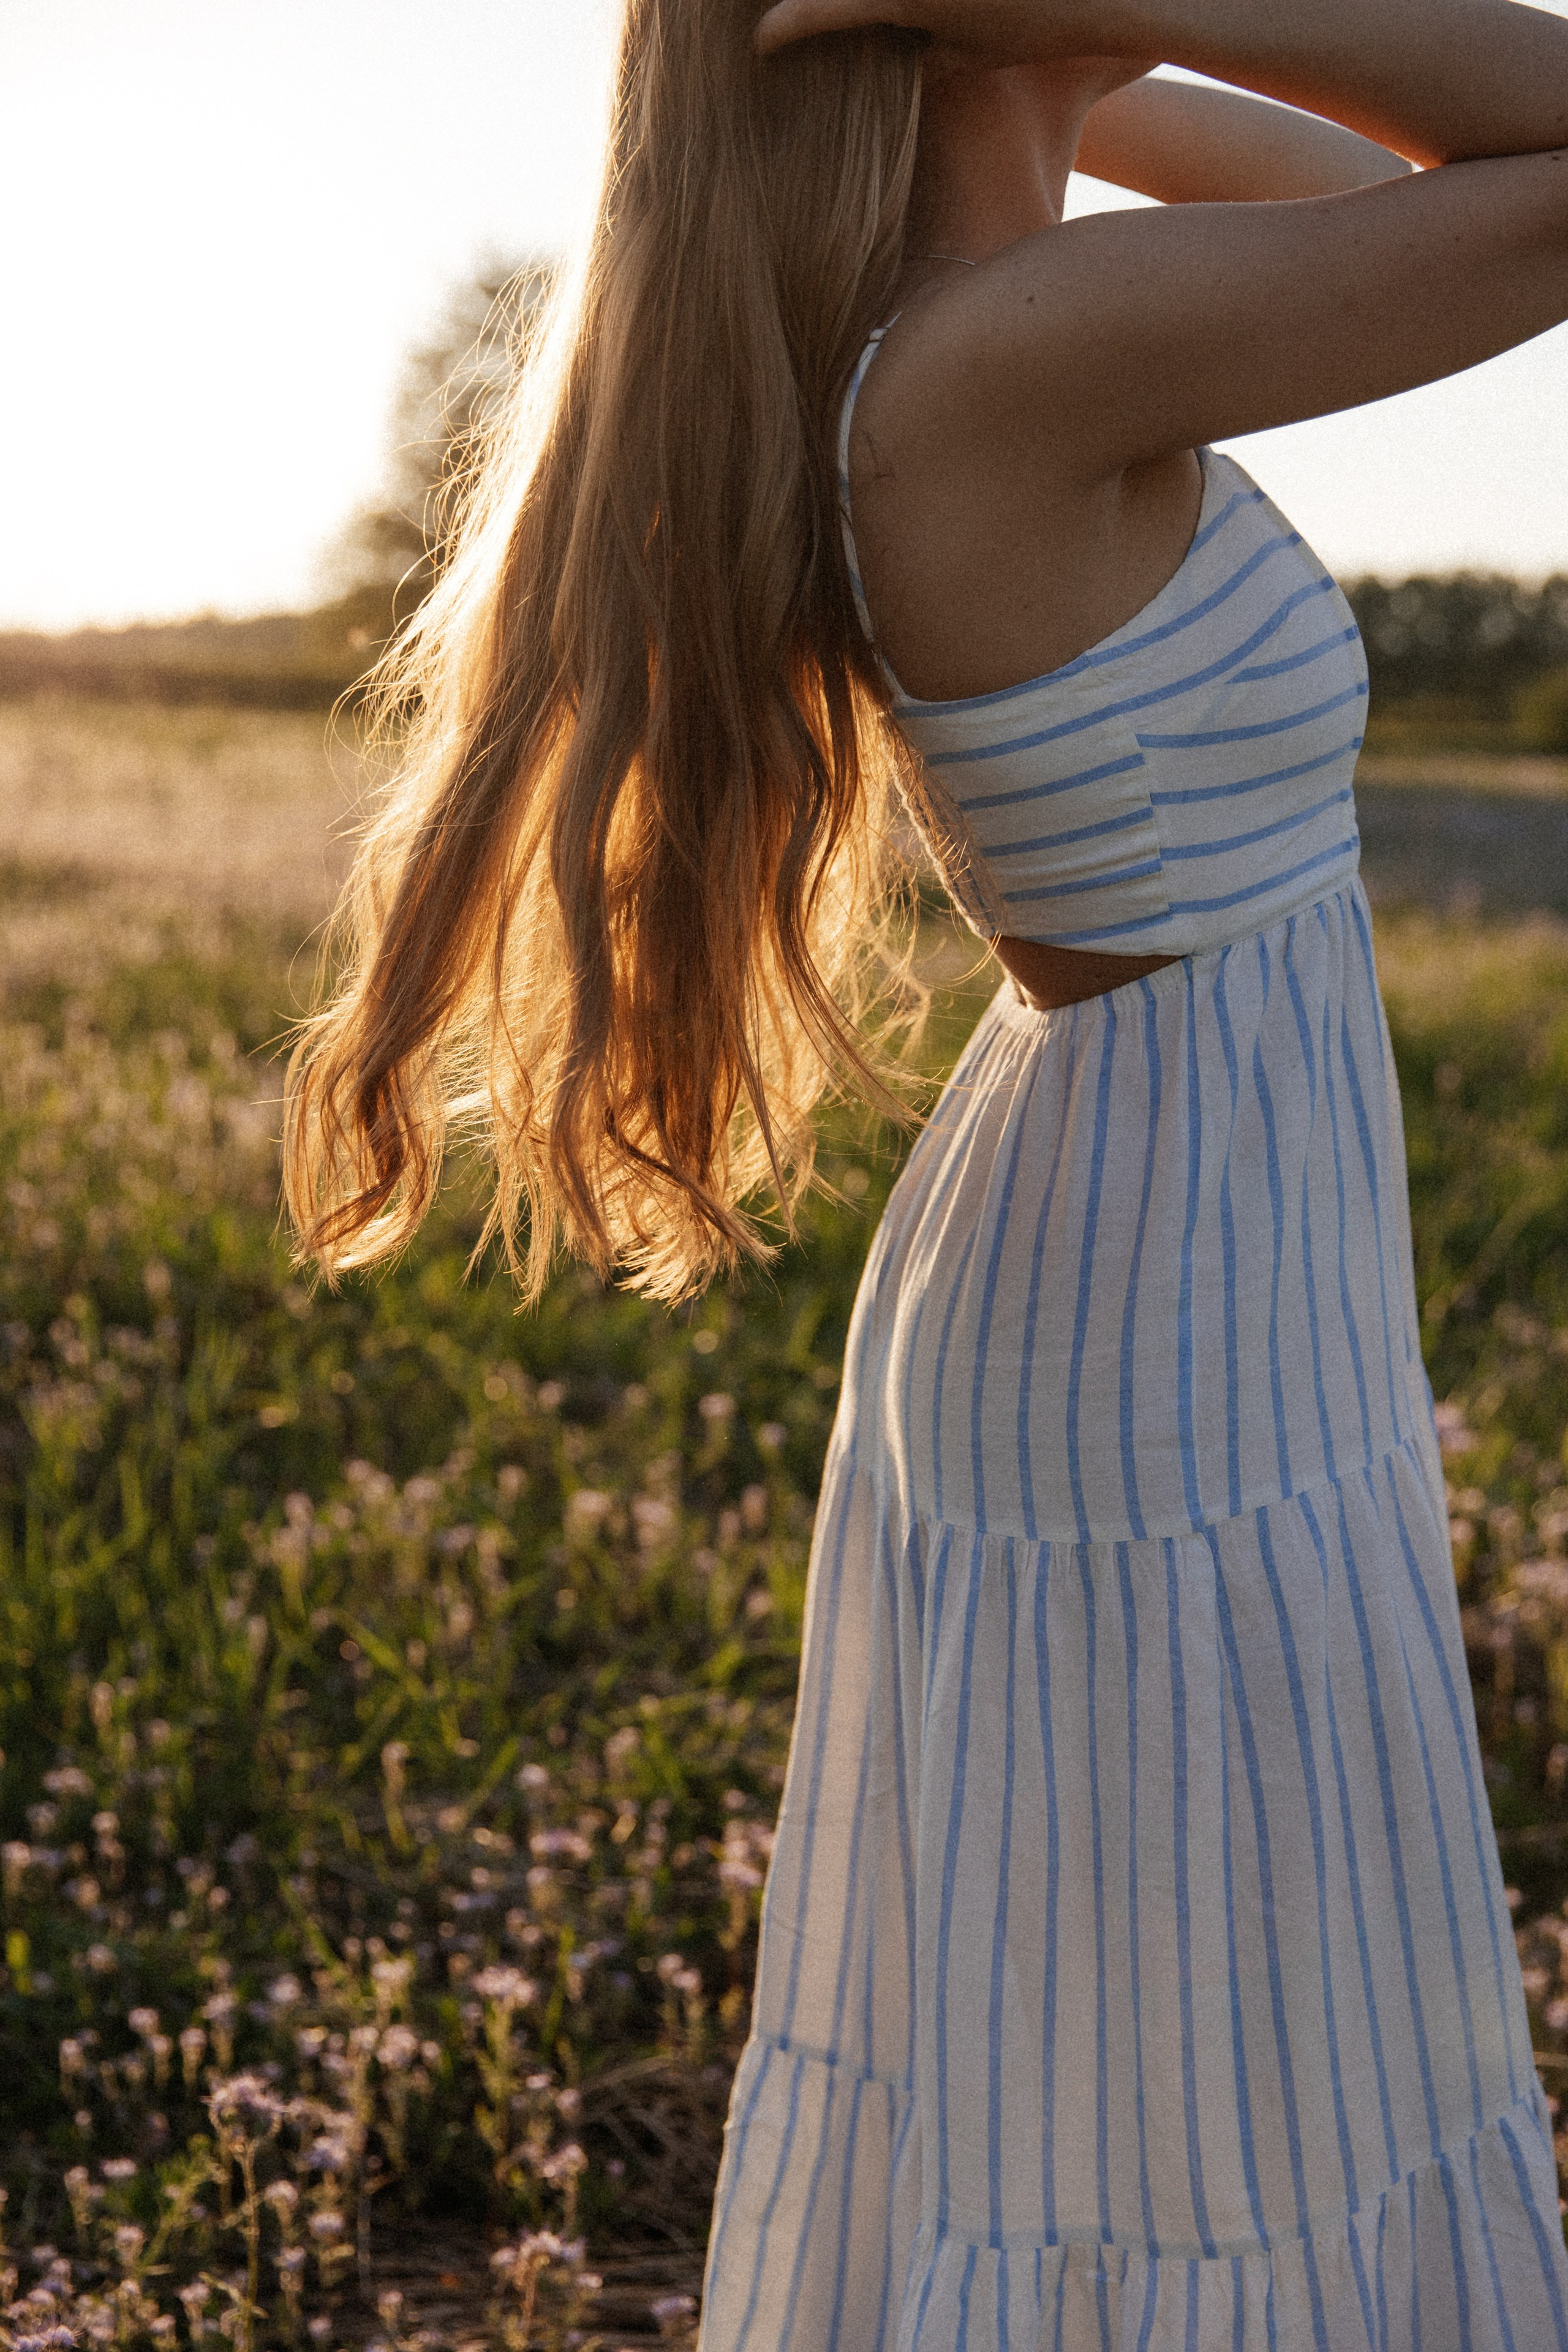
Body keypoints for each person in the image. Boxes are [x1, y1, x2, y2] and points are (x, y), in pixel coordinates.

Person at [284, 0, 1568, 2342]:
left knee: (1170, 2000)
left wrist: (1073, 46)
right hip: (1169, 1264)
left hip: (1161, 1218)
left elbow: (1386, 174)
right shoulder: (1006, 358)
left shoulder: (988, 321)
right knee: (1210, 2024)